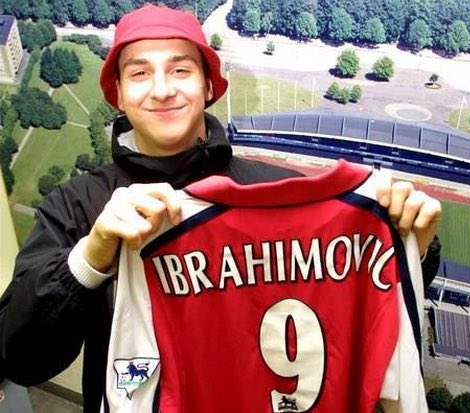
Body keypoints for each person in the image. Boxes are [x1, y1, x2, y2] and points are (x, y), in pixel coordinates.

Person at [0, 4, 441, 412]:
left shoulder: (277, 192)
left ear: (209, 85)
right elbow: (20, 357)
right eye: (139, 73)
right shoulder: (77, 206)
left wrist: (407, 244)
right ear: (117, 93)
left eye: (180, 70)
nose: (162, 89)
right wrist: (89, 260)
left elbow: (355, 306)